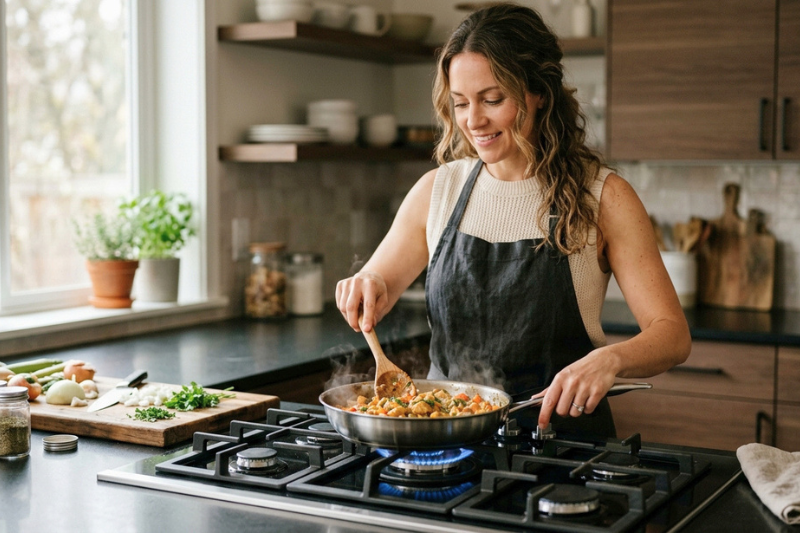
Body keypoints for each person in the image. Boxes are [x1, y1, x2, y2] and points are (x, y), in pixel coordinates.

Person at [335, 2, 690, 438]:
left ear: (538, 92)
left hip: (561, 447)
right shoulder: (437, 190)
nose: (473, 120)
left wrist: (610, 359)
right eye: (460, 103)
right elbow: (380, 285)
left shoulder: (603, 196)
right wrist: (367, 285)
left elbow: (672, 334)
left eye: (492, 99)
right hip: (448, 438)